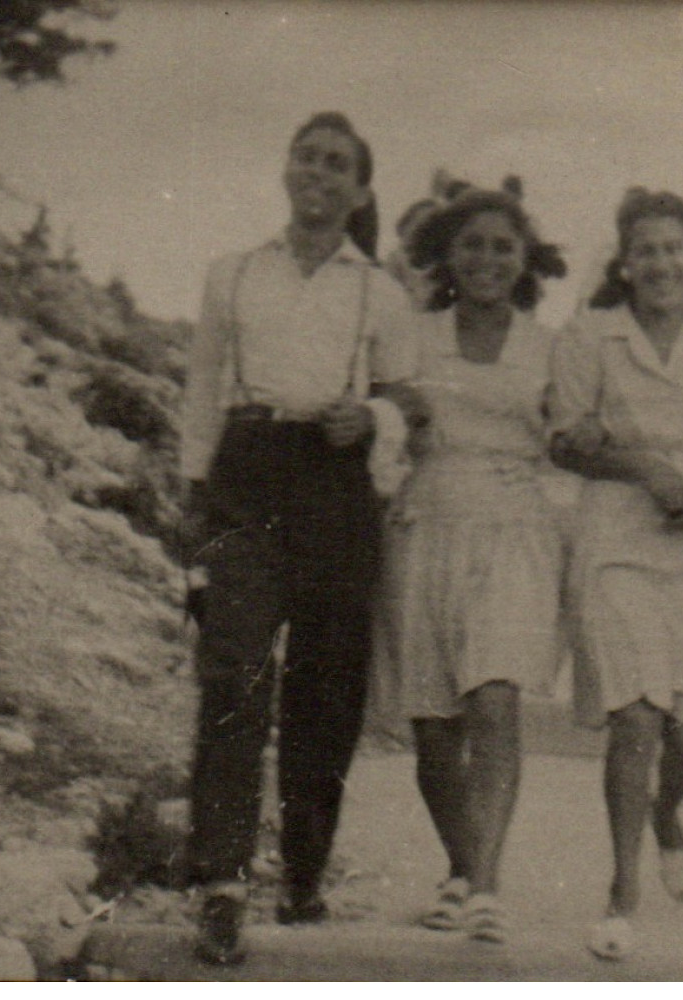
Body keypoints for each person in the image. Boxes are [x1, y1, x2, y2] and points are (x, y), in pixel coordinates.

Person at [178, 112, 424, 966]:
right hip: (247, 474)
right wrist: (194, 501)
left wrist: (376, 415)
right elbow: (203, 389)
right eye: (306, 157)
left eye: (338, 165)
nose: (318, 173)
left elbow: (412, 401)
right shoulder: (233, 274)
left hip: (334, 484)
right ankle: (220, 882)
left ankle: (304, 872)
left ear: (359, 190)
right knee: (233, 674)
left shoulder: (382, 293)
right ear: (286, 170)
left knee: (325, 690)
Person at [548, 188, 683, 962]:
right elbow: (562, 443)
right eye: (645, 250)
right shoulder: (592, 338)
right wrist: (638, 465)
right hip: (615, 544)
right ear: (624, 264)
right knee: (635, 717)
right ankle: (621, 891)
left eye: (674, 248)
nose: (661, 263)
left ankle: (668, 813)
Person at [369, 182, 568, 945]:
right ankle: (460, 867)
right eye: (473, 244)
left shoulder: (550, 347)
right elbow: (389, 413)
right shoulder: (413, 333)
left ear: (525, 261)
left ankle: (485, 884)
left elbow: (575, 431)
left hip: (514, 528)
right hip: (424, 526)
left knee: (493, 701)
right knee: (432, 725)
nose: (487, 259)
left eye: (503, 246)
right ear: (446, 254)